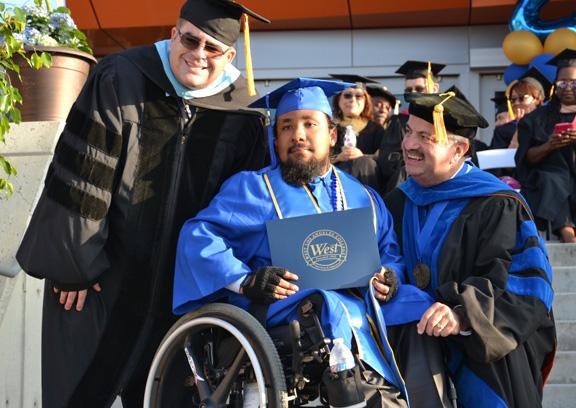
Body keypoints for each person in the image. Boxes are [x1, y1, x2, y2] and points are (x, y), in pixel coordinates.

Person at [15, 0, 270, 406]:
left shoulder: (242, 112)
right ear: (173, 34)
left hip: (182, 298)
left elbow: (241, 209)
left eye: (212, 48)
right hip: (100, 283)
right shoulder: (122, 77)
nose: (198, 54)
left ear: (230, 56)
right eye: (190, 39)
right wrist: (73, 265)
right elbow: (82, 171)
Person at [174, 78, 448, 407]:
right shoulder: (253, 189)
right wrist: (244, 280)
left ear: (331, 135)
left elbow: (389, 249)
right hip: (285, 308)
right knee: (327, 304)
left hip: (363, 304)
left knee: (419, 305)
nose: (298, 135)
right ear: (275, 139)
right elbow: (198, 236)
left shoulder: (362, 195)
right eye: (286, 127)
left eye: (309, 124)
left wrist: (389, 276)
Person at [383, 90, 556, 407]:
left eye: (426, 136)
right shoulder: (395, 202)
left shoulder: (498, 204)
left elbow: (526, 286)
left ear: (459, 149)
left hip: (484, 360)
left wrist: (463, 315)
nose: (409, 144)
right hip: (412, 356)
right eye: (409, 132)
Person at [516, 48, 576, 243]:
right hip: (547, 178)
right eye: (562, 83)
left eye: (574, 83)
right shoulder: (535, 119)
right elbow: (527, 159)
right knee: (553, 180)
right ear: (555, 85)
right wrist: (550, 145)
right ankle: (567, 232)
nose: (568, 87)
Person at [376, 60, 446, 195]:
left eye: (419, 89)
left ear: (435, 89)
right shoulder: (400, 121)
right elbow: (387, 162)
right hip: (408, 180)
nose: (413, 93)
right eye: (409, 90)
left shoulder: (447, 120)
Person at [328, 74, 386, 191]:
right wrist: (338, 158)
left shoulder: (377, 129)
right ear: (338, 99)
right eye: (347, 95)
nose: (352, 100)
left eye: (358, 96)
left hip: (367, 183)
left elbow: (385, 159)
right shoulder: (328, 129)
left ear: (366, 101)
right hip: (336, 185)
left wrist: (362, 157)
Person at [492, 68, 551, 150]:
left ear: (537, 99)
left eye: (522, 98)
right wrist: (519, 130)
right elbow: (500, 160)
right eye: (513, 100)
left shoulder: (549, 125)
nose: (516, 103)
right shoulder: (503, 130)